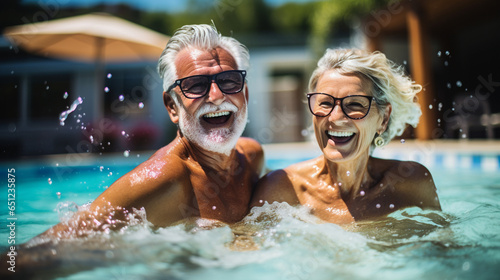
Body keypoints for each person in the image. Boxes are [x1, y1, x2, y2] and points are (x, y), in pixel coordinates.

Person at [38, 24, 264, 238]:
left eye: (229, 80)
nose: (216, 96)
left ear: (244, 95)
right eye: (196, 85)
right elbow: (50, 249)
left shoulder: (252, 158)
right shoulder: (162, 180)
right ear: (172, 107)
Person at [251, 48, 441, 224]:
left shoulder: (411, 183)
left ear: (383, 119)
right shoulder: (281, 190)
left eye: (355, 104)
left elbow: (443, 251)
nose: (336, 118)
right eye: (325, 103)